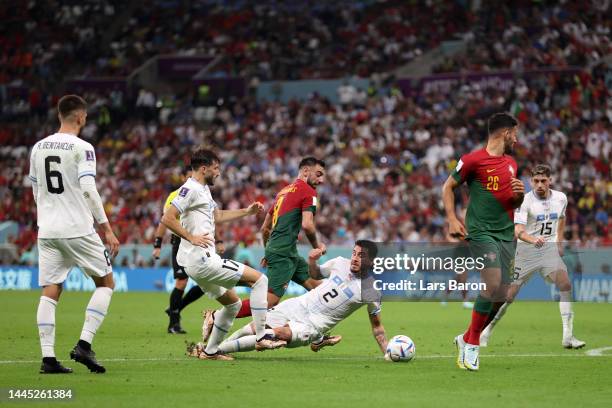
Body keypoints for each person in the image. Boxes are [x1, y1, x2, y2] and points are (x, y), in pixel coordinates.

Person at [161, 148, 285, 360]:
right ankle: (262, 336)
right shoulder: (190, 188)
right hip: (204, 261)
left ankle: (210, 351)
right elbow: (167, 218)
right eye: (216, 168)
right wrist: (191, 237)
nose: (218, 173)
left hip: (196, 264)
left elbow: (217, 215)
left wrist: (246, 212)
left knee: (233, 305)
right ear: (203, 168)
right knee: (260, 281)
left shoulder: (203, 189)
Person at [29, 95, 120, 374]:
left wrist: (47, 216)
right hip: (77, 228)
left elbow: (36, 190)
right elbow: (89, 189)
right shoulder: (83, 147)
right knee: (106, 282)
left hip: (47, 229)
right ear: (80, 117)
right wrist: (106, 227)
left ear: (60, 116)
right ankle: (84, 344)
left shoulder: (38, 148)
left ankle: (48, 360)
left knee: (51, 289)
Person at [188, 241, 388, 357]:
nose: (354, 258)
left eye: (361, 255)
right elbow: (316, 274)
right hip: (298, 305)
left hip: (313, 324)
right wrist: (312, 260)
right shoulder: (339, 263)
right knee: (252, 328)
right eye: (354, 253)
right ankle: (214, 349)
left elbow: (377, 327)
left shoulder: (371, 291)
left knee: (277, 334)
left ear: (371, 261)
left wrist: (387, 351)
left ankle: (210, 351)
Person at [442, 112, 525, 371]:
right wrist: (452, 220)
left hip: (505, 233)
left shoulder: (512, 164)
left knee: (503, 294)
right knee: (491, 282)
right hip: (480, 231)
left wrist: (519, 198)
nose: (517, 137)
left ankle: (466, 336)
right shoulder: (472, 160)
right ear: (505, 132)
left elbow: (510, 203)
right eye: (516, 132)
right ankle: (472, 346)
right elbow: (447, 187)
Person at [206, 157, 326, 330]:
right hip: (283, 251)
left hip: (286, 251)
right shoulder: (308, 191)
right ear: (305, 171)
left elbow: (264, 228)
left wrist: (268, 250)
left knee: (317, 289)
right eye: (318, 174)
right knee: (270, 300)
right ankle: (216, 316)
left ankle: (318, 332)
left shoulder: (283, 192)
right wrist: (317, 246)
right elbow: (307, 225)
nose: (321, 180)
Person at [479, 164, 585, 349]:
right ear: (531, 181)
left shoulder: (561, 198)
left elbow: (562, 218)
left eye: (543, 181)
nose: (540, 185)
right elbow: (518, 231)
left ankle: (568, 336)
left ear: (550, 180)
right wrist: (533, 239)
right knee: (508, 296)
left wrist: (558, 241)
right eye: (536, 181)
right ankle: (485, 332)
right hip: (525, 252)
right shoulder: (524, 201)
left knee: (565, 284)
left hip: (548, 251)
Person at [152, 167, 209, 334]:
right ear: (185, 177)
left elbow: (213, 217)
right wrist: (157, 244)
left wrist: (218, 240)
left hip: (199, 242)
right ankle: (173, 323)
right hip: (180, 242)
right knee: (181, 282)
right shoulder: (175, 195)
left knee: (206, 282)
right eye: (189, 175)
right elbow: (165, 221)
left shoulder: (203, 193)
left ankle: (175, 308)